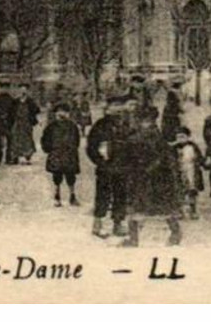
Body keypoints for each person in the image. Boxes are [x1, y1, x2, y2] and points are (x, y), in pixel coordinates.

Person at [122, 105, 183, 247]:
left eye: (144, 120)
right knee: (157, 207)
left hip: (148, 177)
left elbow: (161, 156)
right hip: (152, 177)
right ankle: (174, 233)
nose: (143, 123)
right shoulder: (154, 135)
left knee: (140, 206)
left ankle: (134, 239)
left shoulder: (144, 136)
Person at [86, 95, 130, 238]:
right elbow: (91, 146)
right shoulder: (100, 125)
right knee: (103, 195)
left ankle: (118, 224)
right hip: (105, 167)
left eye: (120, 105)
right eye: (114, 106)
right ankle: (97, 225)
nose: (117, 109)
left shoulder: (126, 124)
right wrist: (99, 161)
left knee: (120, 195)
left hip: (122, 166)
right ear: (108, 108)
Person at [40, 102, 82, 207]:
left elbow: (77, 140)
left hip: (69, 154)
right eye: (59, 111)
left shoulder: (72, 126)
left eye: (65, 111)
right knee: (57, 176)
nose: (62, 114)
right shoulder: (51, 127)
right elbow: (45, 140)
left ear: (68, 113)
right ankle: (57, 196)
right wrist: (49, 150)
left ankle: (72, 196)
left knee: (71, 176)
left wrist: (72, 149)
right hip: (56, 154)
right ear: (56, 113)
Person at [173, 125, 205, 220]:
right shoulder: (174, 148)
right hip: (179, 171)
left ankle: (193, 210)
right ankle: (180, 211)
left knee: (192, 191)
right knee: (179, 191)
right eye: (178, 137)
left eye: (183, 136)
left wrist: (204, 163)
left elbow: (199, 158)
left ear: (188, 137)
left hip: (191, 170)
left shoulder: (193, 146)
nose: (180, 139)